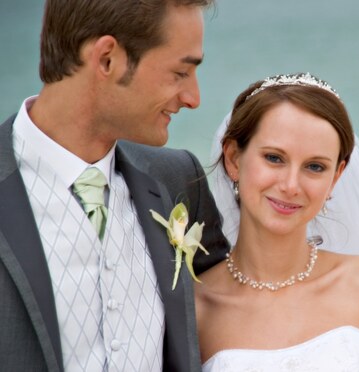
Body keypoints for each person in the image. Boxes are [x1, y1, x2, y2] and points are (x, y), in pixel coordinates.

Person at [0, 0, 229, 371]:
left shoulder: (178, 180)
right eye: (179, 72)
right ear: (107, 58)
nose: (193, 98)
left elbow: (236, 300)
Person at [195, 73, 359, 371]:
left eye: (314, 166)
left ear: (336, 176)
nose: (291, 185)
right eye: (274, 158)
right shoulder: (195, 308)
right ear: (233, 158)